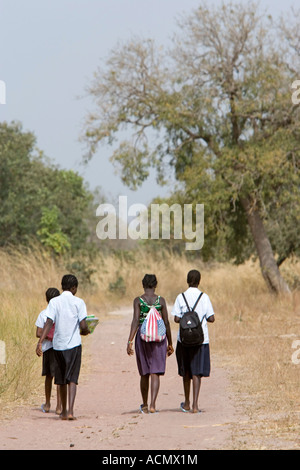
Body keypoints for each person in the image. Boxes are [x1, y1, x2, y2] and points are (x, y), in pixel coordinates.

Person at [36, 274, 90, 420]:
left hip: (58, 346)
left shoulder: (54, 302)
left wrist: (40, 342)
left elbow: (48, 322)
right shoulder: (79, 302)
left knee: (61, 379)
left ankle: (64, 412)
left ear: (62, 286)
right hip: (74, 345)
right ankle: (71, 411)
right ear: (74, 288)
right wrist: (86, 330)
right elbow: (83, 325)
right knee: (72, 378)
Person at [127, 274, 174, 414]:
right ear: (155, 285)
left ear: (143, 285)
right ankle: (153, 405)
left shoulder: (138, 301)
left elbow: (135, 320)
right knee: (155, 372)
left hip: (142, 337)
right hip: (159, 338)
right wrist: (170, 343)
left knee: (144, 373)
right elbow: (166, 322)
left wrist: (129, 340)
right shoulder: (161, 301)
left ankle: (145, 404)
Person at [172, 269, 215, 414]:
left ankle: (187, 403)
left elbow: (176, 319)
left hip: (183, 339)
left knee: (186, 372)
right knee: (197, 372)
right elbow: (211, 318)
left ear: (187, 280)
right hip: (200, 340)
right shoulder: (204, 297)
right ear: (199, 281)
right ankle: (196, 405)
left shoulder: (180, 297)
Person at [35, 287, 62, 414]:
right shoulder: (61, 313)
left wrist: (44, 338)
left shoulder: (43, 313)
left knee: (49, 377)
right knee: (59, 377)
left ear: (46, 299)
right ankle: (59, 406)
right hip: (60, 347)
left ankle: (47, 403)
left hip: (47, 348)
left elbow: (39, 332)